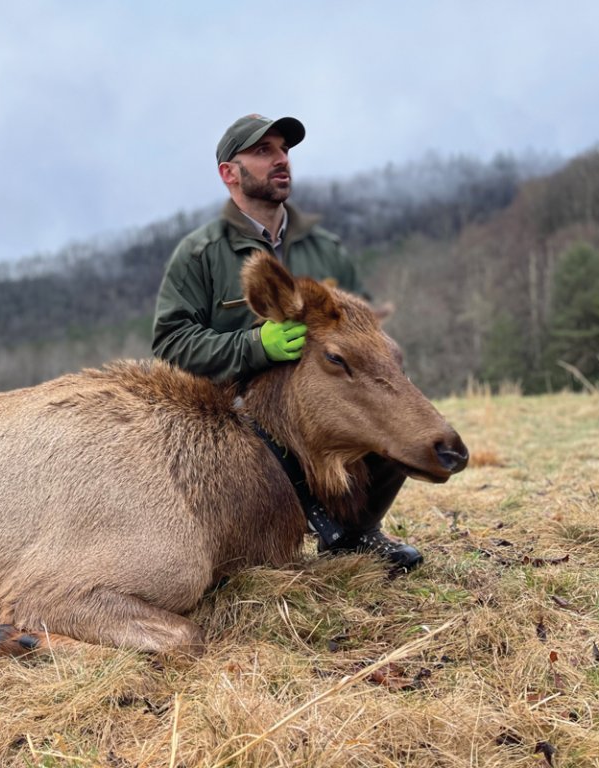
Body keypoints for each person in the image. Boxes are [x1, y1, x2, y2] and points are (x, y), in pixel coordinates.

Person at [152, 113, 422, 569]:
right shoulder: (199, 254)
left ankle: (356, 535)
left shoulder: (326, 248)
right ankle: (248, 545)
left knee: (401, 417)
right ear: (229, 174)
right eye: (263, 152)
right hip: (240, 417)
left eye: (284, 150)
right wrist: (256, 346)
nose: (281, 160)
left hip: (323, 405)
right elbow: (171, 344)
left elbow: (368, 334)